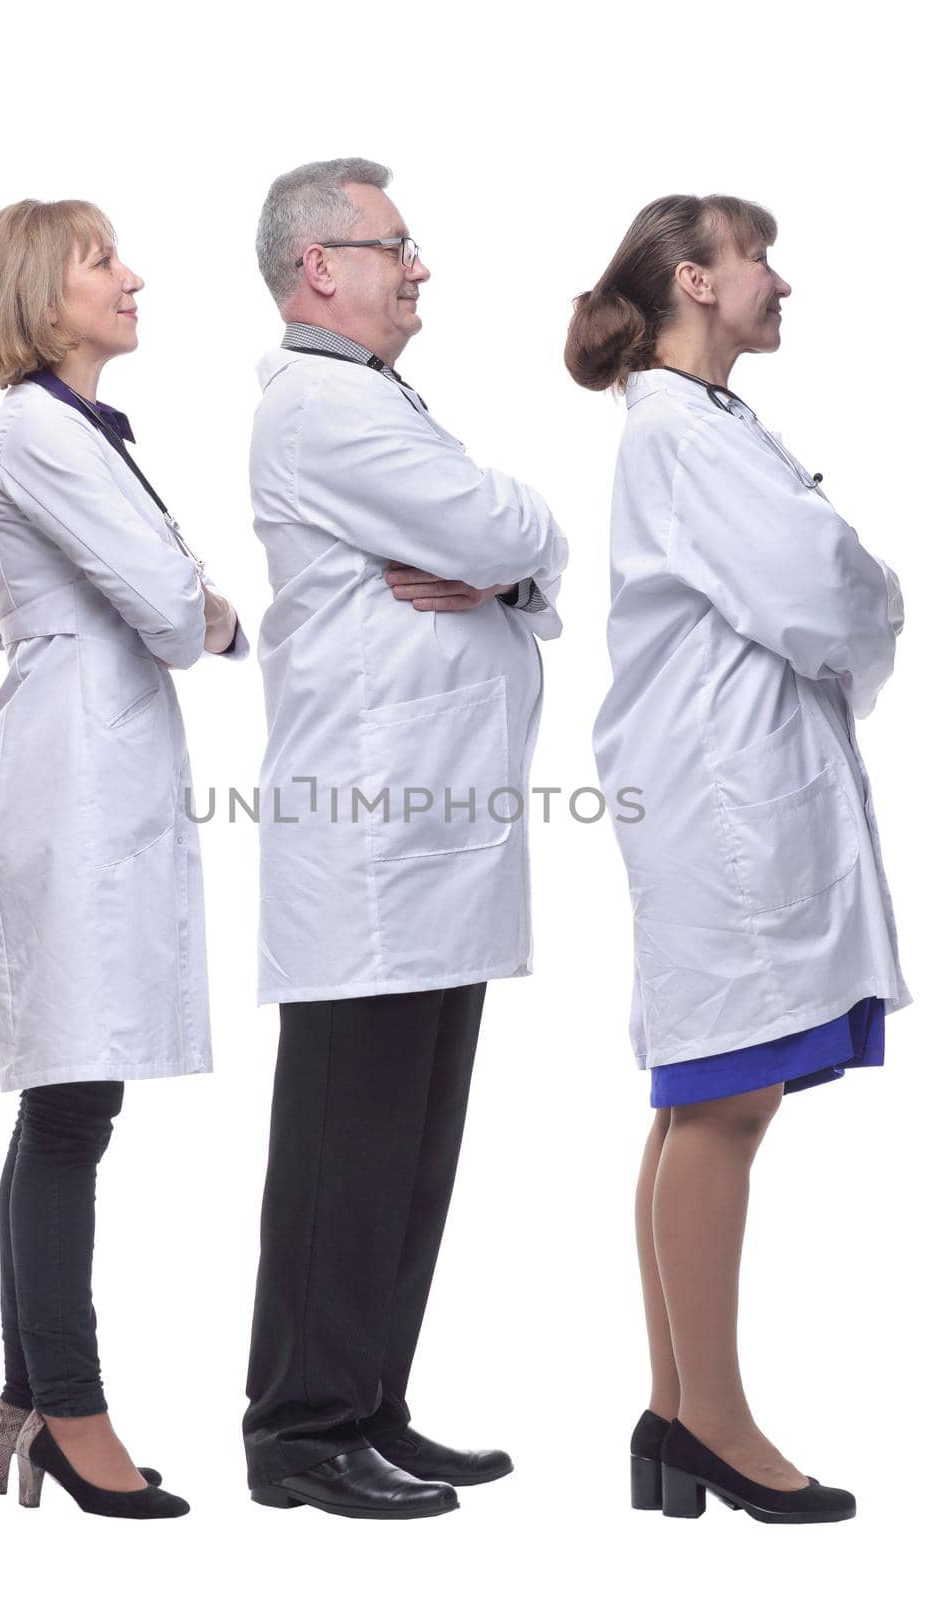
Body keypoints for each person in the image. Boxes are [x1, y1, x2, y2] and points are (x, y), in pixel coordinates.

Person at [566, 194, 909, 1524]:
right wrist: (878, 593)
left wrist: (848, 588)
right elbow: (820, 587)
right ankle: (711, 1418)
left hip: (731, 791)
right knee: (719, 1100)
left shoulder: (699, 423)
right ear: (692, 283)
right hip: (725, 805)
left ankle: (668, 1416)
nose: (778, 280)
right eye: (754, 258)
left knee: (700, 1100)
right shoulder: (673, 426)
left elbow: (806, 582)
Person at [242, 157, 568, 1519]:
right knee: (345, 1146)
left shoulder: (373, 401)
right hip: (370, 849)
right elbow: (507, 522)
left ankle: (371, 1403)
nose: (416, 266)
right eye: (394, 245)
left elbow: (516, 555)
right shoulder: (321, 407)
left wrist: (511, 564)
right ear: (320, 265)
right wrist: (514, 549)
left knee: (412, 1143)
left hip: (432, 838)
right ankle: (299, 1433)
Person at [0, 198, 248, 1519]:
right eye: (100, 262)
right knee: (72, 1102)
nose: (131, 278)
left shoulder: (79, 434)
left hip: (101, 770)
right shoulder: (32, 429)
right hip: (69, 780)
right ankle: (72, 1412)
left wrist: (194, 601)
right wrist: (199, 604)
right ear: (41, 291)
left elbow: (178, 596)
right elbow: (169, 602)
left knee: (76, 1101)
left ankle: (33, 1394)